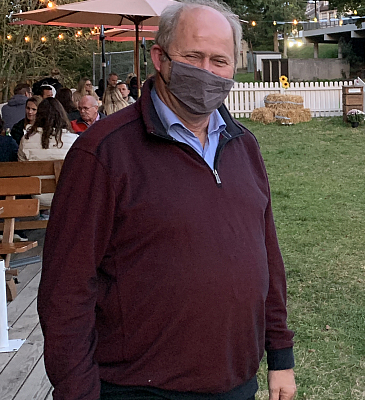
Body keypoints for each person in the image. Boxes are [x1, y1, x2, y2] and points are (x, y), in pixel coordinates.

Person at [38, 1, 296, 400]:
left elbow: (267, 256)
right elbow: (65, 292)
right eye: (193, 56)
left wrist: (280, 355)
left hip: (235, 383)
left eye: (220, 60)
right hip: (138, 389)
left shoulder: (243, 146)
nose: (207, 71)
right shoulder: (103, 153)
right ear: (160, 57)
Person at [18, 98, 79, 207]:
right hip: (66, 197)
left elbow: (22, 167)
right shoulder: (73, 140)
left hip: (37, 196)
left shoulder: (26, 140)